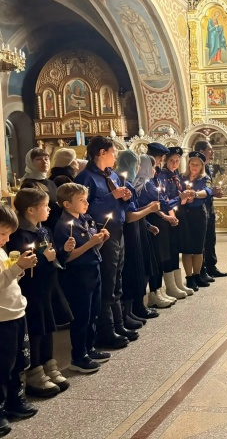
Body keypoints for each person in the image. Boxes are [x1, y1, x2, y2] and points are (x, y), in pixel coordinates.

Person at [7, 188, 70, 398]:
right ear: (31, 210)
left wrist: (63, 251)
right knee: (36, 329)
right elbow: (24, 264)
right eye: (44, 206)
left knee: (48, 328)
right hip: (32, 289)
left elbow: (53, 257)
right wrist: (45, 258)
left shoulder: (44, 230)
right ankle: (35, 372)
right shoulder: (19, 235)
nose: (49, 209)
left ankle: (49, 364)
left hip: (47, 287)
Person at [75, 136, 135, 349]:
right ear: (102, 153)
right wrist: (112, 196)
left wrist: (126, 197)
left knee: (117, 277)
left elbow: (121, 202)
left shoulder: (113, 175)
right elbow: (83, 209)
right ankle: (105, 331)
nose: (115, 156)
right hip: (101, 233)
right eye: (113, 152)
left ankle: (119, 324)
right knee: (107, 280)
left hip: (117, 229)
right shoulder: (85, 178)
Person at [53, 184, 111, 374]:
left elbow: (93, 249)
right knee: (81, 316)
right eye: (81, 200)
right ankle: (78, 356)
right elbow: (67, 257)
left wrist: (100, 241)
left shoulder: (86, 219)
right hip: (78, 274)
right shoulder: (64, 226)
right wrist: (90, 243)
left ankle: (89, 347)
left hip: (93, 269)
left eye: (86, 199)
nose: (86, 203)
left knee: (93, 312)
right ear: (67, 204)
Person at [0, 205, 38, 436]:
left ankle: (16, 400)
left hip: (16, 312)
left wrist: (19, 269)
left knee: (18, 362)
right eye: (2, 233)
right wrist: (16, 269)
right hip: (2, 317)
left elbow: (8, 278)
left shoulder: (2, 250)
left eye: (8, 234)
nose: (7, 239)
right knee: (2, 365)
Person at [115, 151, 162, 328]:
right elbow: (129, 215)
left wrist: (147, 223)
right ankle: (128, 312)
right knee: (131, 271)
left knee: (140, 269)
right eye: (137, 165)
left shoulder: (127, 183)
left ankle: (135, 309)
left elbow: (134, 209)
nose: (139, 168)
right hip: (128, 232)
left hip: (137, 229)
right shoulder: (123, 183)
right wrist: (150, 209)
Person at [134, 155, 180, 308]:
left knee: (160, 257)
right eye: (152, 167)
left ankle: (159, 290)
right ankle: (154, 292)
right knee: (155, 259)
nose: (155, 170)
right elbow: (161, 204)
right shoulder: (146, 185)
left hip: (151, 222)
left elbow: (157, 204)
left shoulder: (146, 183)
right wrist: (181, 198)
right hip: (150, 222)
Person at [158, 147, 198, 294]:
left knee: (176, 248)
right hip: (168, 215)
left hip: (178, 214)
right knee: (169, 250)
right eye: (172, 161)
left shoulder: (176, 175)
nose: (175, 163)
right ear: (165, 161)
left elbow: (178, 194)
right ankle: (171, 286)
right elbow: (165, 198)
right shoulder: (162, 176)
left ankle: (177, 282)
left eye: (177, 161)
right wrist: (174, 210)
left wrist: (186, 197)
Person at [192, 141, 227, 280]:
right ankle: (201, 269)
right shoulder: (196, 170)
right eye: (210, 150)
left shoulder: (208, 168)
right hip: (199, 208)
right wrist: (210, 192)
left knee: (211, 237)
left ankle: (211, 266)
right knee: (202, 239)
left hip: (209, 206)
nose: (212, 152)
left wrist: (215, 193)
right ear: (201, 151)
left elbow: (208, 189)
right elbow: (197, 189)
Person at [178, 152, 212, 290]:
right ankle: (189, 278)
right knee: (187, 247)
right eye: (192, 164)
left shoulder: (205, 178)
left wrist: (195, 194)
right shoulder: (181, 177)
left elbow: (207, 191)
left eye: (197, 165)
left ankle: (197, 275)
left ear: (202, 166)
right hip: (184, 213)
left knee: (198, 246)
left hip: (198, 213)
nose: (194, 167)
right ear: (188, 164)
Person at [21, 148, 60, 231]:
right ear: (30, 163)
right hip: (41, 228)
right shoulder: (29, 184)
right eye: (38, 159)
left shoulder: (51, 182)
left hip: (55, 226)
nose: (44, 162)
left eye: (46, 159)